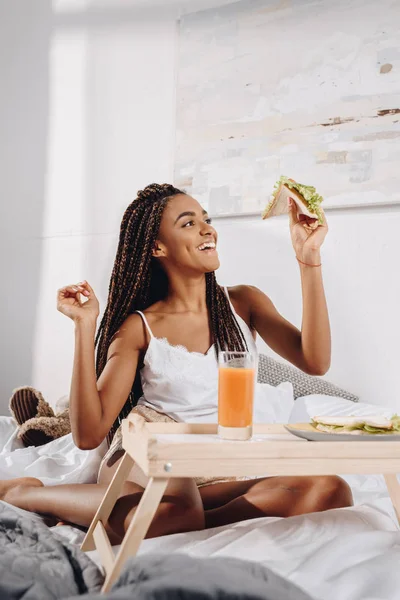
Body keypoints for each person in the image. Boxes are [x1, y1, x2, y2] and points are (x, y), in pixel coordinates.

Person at [0, 183, 352, 542]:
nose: (207, 228)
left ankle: (165, 516)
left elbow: (314, 361)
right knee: (179, 510)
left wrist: (308, 257)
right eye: (188, 223)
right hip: (150, 443)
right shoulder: (139, 326)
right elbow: (89, 435)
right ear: (157, 246)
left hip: (215, 460)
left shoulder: (244, 302)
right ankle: (25, 493)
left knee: (332, 489)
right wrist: (84, 325)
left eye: (206, 219)